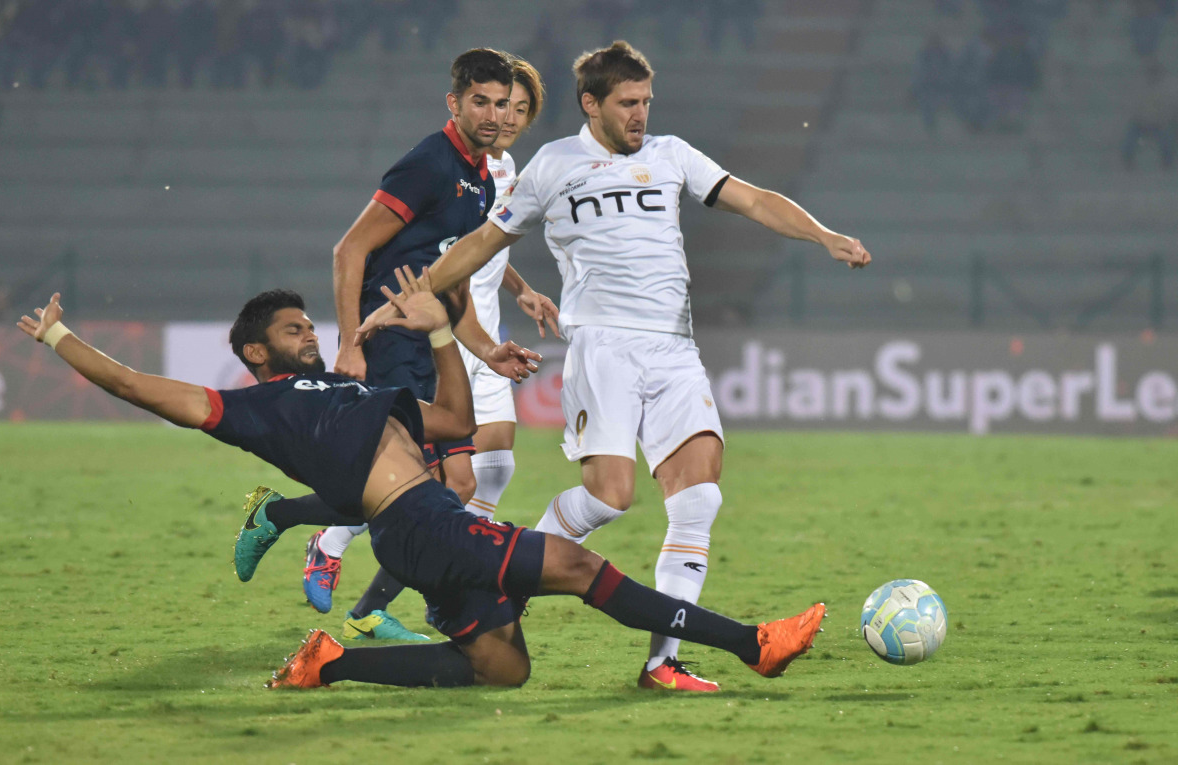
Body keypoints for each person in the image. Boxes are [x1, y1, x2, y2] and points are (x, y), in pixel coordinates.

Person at [16, 276, 826, 691]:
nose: (307, 333)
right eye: (291, 329)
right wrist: (58, 337)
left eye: (306, 323)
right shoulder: (254, 409)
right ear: (257, 352)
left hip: (424, 520)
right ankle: (750, 644)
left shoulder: (351, 388)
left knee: (503, 668)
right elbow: (134, 384)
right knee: (580, 568)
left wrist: (442, 334)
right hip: (418, 523)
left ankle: (330, 663)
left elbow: (455, 419)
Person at [357, 41, 871, 692]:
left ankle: (663, 664)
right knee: (609, 497)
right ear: (591, 103)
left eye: (646, 101)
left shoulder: (671, 154)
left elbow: (754, 199)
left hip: (675, 347)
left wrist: (823, 234)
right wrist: (408, 297)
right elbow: (482, 243)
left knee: (699, 497)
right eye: (628, 103)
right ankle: (501, 576)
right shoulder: (553, 165)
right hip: (604, 348)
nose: (640, 115)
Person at [235, 48, 548, 644]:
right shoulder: (429, 164)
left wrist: (486, 348)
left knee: (457, 484)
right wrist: (352, 342)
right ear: (454, 103)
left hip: (428, 344)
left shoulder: (482, 178)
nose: (494, 115)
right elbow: (350, 249)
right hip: (388, 344)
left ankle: (316, 551)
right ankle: (306, 541)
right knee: (412, 484)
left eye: (503, 104)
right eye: (480, 102)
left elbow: (450, 283)